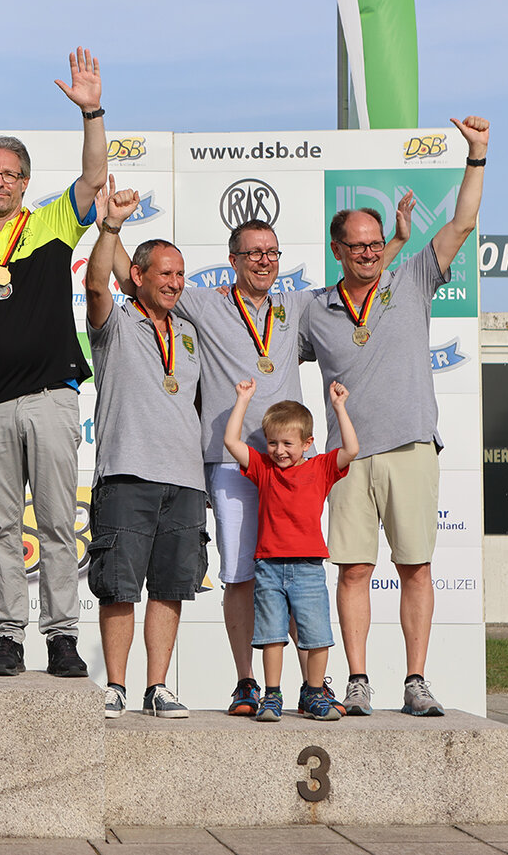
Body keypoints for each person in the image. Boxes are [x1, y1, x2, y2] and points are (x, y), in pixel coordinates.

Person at [167, 210, 408, 715]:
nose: (264, 261)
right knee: (240, 576)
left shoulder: (296, 305)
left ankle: (312, 687)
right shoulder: (206, 303)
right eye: (254, 253)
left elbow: (360, 272)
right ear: (233, 260)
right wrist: (110, 228)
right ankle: (247, 684)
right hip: (234, 462)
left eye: (272, 252)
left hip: (294, 465)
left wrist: (396, 244)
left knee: (297, 573)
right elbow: (144, 279)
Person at [300, 115, 488, 716]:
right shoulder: (313, 309)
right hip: (348, 458)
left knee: (416, 568)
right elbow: (261, 343)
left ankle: (415, 680)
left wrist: (476, 155)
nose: (367, 252)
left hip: (410, 445)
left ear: (386, 244)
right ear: (337, 250)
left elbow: (462, 222)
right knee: (354, 571)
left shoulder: (412, 279)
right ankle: (358, 681)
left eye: (375, 243)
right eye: (356, 245)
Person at [0, 48, 107, 678]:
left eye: (9, 174)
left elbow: (94, 176)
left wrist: (91, 112)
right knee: (2, 527)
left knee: (60, 524)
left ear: (24, 182)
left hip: (51, 398)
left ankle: (61, 637)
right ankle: (8, 636)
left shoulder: (53, 223)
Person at [85, 181, 205, 718]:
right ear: (138, 276)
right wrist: (111, 227)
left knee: (170, 587)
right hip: (127, 474)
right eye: (165, 273)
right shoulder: (115, 321)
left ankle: (158, 687)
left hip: (186, 480)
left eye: (180, 274)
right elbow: (95, 284)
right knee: (118, 587)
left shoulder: (190, 332)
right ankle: (116, 685)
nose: (175, 283)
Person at [223, 379, 359, 721]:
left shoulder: (321, 467)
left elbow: (352, 449)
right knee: (271, 637)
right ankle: (272, 696)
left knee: (317, 637)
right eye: (272, 443)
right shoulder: (263, 468)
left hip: (309, 568)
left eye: (288, 443)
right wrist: (242, 400)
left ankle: (313, 693)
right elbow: (231, 442)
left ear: (308, 443)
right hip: (269, 568)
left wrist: (339, 407)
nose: (279, 450)